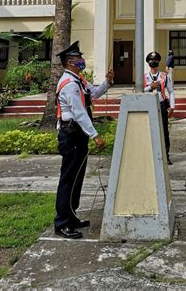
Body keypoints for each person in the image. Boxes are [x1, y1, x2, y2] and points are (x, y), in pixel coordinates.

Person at [54, 41, 114, 239]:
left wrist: (107, 82)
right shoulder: (69, 85)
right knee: (68, 179)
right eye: (79, 58)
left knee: (77, 178)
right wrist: (95, 135)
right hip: (71, 134)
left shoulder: (78, 80)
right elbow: (79, 113)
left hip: (77, 135)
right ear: (71, 62)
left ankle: (72, 217)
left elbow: (94, 94)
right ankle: (62, 223)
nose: (82, 61)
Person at [143, 51, 175, 165]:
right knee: (149, 130)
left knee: (164, 131)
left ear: (158, 62)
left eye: (155, 60)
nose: (153, 62)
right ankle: (150, 155)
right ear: (148, 62)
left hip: (161, 105)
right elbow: (139, 92)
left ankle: (166, 156)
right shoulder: (144, 77)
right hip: (148, 105)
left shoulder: (164, 76)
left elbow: (171, 91)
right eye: (151, 60)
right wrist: (149, 87)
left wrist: (172, 106)